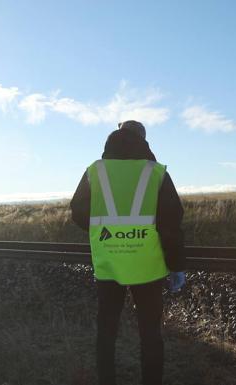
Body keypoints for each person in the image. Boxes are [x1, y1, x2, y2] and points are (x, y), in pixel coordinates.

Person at [70, 120, 186, 385]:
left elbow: (77, 211)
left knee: (107, 332)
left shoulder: (95, 171)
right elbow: (171, 224)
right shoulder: (155, 172)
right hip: (148, 267)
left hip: (109, 264)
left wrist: (105, 232)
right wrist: (176, 265)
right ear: (144, 140)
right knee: (150, 334)